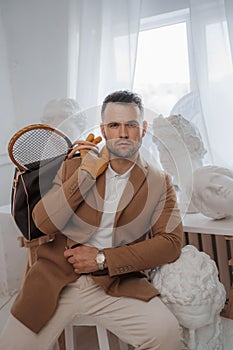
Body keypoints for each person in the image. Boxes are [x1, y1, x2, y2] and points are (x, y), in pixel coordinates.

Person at [0, 90, 183, 350]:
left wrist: (102, 258)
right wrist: (85, 174)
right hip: (54, 283)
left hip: (118, 284)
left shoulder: (159, 181)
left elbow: (171, 243)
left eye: (130, 125)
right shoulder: (75, 164)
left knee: (167, 334)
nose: (122, 133)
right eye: (114, 125)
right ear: (103, 130)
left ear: (142, 129)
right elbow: (42, 222)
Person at [153, 114, 207, 213]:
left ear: (190, 148)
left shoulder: (204, 190)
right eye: (160, 150)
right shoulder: (179, 194)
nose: (162, 159)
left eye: (170, 150)